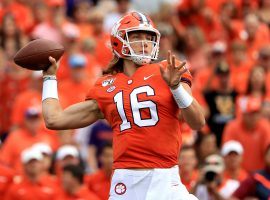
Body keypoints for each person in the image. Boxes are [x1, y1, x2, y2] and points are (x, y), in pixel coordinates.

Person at [42, 11, 205, 200]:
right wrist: (49, 78)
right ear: (119, 41)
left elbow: (197, 122)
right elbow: (54, 119)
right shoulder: (106, 85)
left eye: (149, 37)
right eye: (137, 36)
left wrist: (176, 87)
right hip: (126, 181)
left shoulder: (168, 69)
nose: (144, 42)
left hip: (165, 178)